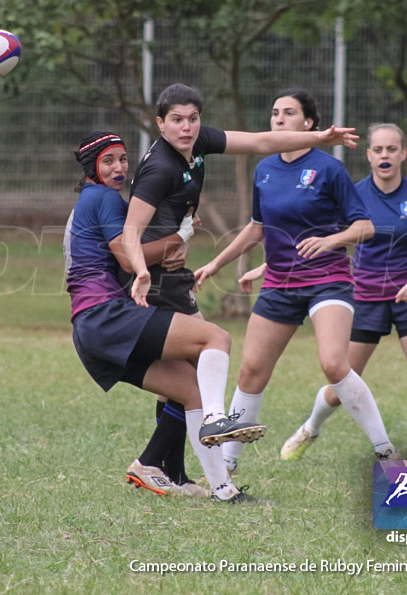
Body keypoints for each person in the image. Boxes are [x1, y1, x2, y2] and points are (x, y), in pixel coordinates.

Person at [121, 83, 361, 493]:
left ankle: (164, 467)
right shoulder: (161, 166)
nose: (187, 127)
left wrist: (319, 138)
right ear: (160, 124)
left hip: (173, 272)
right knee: (204, 361)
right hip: (155, 280)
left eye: (193, 118)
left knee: (188, 376)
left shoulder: (197, 142)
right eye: (176, 120)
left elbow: (263, 140)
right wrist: (143, 269)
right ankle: (207, 461)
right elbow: (130, 231)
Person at [193, 89, 402, 475]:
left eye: (289, 113)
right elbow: (257, 228)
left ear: (309, 123)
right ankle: (227, 466)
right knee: (251, 371)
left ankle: (386, 451)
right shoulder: (266, 169)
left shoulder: (329, 169)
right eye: (275, 113)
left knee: (333, 364)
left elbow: (366, 227)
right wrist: (217, 263)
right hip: (279, 283)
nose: (279, 118)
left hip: (328, 280)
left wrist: (331, 240)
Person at [66, 131, 266, 503]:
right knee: (215, 339)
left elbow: (131, 252)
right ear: (91, 167)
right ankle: (215, 421)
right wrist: (182, 234)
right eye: (108, 161)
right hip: (106, 315)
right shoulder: (104, 197)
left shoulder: (89, 201)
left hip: (90, 330)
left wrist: (169, 247)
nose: (119, 167)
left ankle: (211, 486)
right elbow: (129, 257)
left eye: (123, 159)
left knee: (189, 387)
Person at [280, 123, 407, 462]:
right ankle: (310, 429)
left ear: (403, 154)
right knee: (339, 389)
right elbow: (322, 242)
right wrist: (269, 268)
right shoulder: (353, 195)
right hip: (364, 297)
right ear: (369, 155)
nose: (384, 155)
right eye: (378, 150)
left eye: (391, 149)